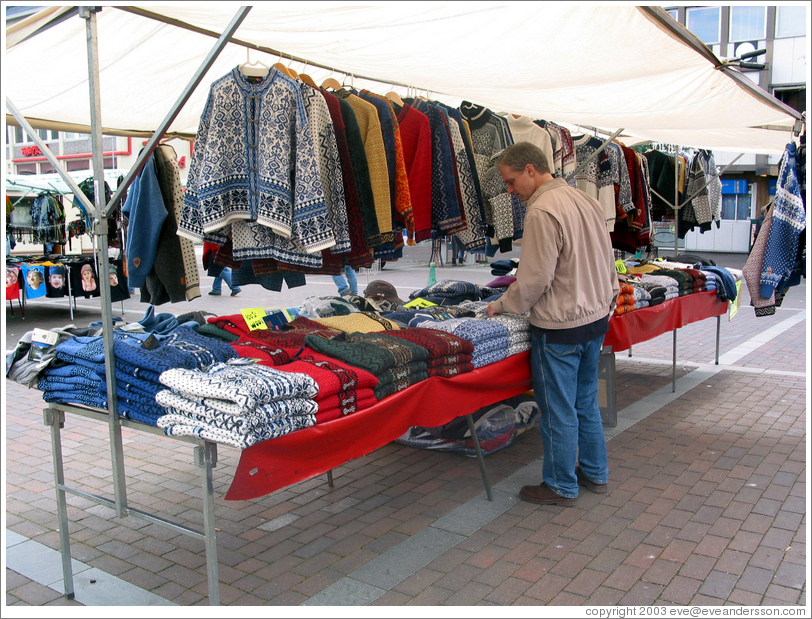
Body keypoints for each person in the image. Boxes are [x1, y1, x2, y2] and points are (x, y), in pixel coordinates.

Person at [486, 141, 619, 507]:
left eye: (511, 182)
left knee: (559, 410)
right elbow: (609, 261)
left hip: (560, 327)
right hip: (594, 318)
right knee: (585, 403)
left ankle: (561, 484)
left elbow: (534, 280)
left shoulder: (542, 210)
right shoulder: (584, 200)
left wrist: (501, 304)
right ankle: (594, 472)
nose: (510, 191)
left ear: (531, 169)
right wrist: (608, 300)